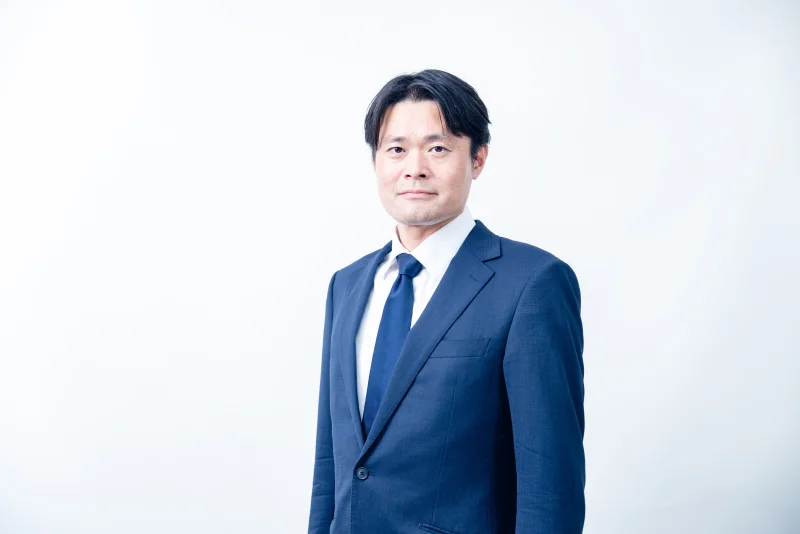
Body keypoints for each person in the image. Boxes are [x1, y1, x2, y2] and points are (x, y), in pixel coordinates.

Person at [308, 69, 585, 534]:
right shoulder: (347, 285)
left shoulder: (531, 283)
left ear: (478, 159)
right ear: (376, 160)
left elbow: (549, 484)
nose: (414, 168)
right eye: (396, 149)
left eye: (437, 148)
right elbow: (330, 463)